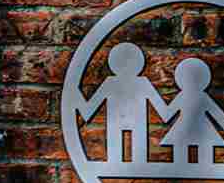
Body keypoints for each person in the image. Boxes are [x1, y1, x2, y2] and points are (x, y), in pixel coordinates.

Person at [69, 42, 166, 170]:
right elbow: (163, 109)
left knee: (134, 152)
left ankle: (130, 165)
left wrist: (78, 100)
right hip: (123, 121)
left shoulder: (129, 83)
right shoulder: (133, 83)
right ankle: (124, 165)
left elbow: (89, 109)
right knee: (123, 152)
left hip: (130, 122)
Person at [160, 57, 224, 168]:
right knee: (182, 152)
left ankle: (199, 167)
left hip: (194, 129)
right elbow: (167, 115)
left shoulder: (196, 96)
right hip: (188, 129)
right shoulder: (194, 96)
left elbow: (166, 114)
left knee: (200, 154)